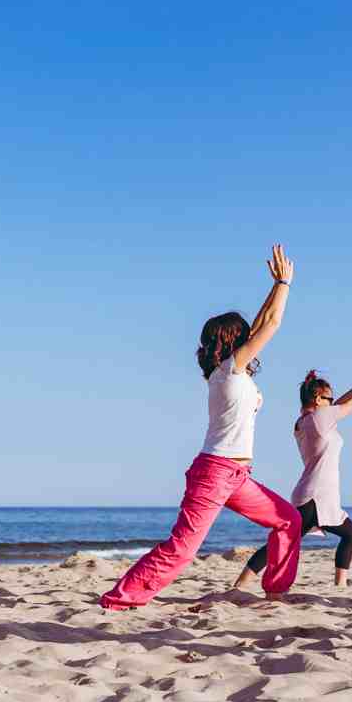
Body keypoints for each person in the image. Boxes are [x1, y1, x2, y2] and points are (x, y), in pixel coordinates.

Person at [99, 247, 305, 609]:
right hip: (215, 472)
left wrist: (274, 287)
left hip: (237, 475)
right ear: (232, 342)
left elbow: (259, 325)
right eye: (244, 337)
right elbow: (270, 325)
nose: (251, 340)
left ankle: (275, 591)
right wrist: (284, 283)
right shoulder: (228, 370)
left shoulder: (231, 370)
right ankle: (120, 598)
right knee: (182, 548)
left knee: (288, 520)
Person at [235, 365, 352, 589]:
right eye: (328, 399)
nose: (332, 403)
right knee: (348, 534)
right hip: (317, 497)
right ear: (318, 398)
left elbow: (338, 405)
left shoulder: (305, 422)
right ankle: (340, 585)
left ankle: (242, 582)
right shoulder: (320, 418)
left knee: (286, 540)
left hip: (313, 495)